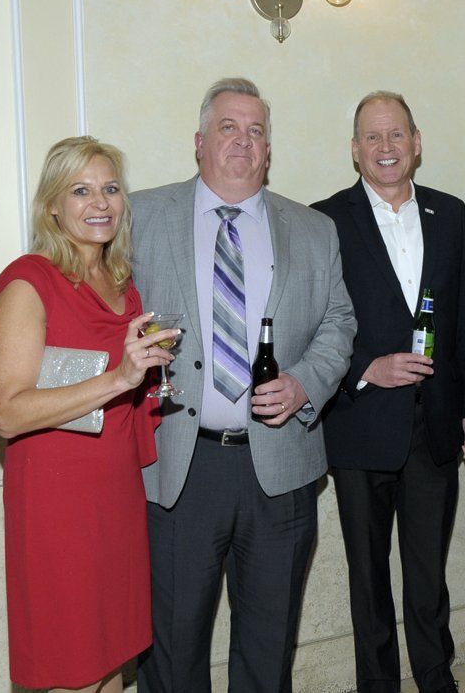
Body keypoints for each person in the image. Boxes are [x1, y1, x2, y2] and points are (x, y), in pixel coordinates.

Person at [131, 78, 356, 692]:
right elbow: (101, 312)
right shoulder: (140, 215)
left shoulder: (313, 229)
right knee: (172, 648)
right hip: (181, 466)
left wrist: (306, 384)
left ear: (268, 150)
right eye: (229, 126)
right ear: (199, 141)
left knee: (268, 643)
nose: (243, 140)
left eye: (256, 130)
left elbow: (339, 322)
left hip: (280, 471)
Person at [312, 90, 465, 693]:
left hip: (435, 427)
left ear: (416, 143)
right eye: (372, 137)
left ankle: (437, 680)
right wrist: (367, 368)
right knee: (368, 578)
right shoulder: (324, 221)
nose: (386, 147)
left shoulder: (450, 212)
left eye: (397, 135)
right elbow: (310, 322)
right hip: (359, 426)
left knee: (427, 577)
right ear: (355, 150)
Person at [0, 136, 173, 692]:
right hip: (57, 502)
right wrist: (118, 377)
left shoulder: (121, 285)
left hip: (114, 491)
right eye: (81, 190)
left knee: (113, 661)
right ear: (52, 206)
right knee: (73, 667)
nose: (100, 203)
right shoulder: (29, 281)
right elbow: (9, 412)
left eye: (110, 188)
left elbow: (130, 395)